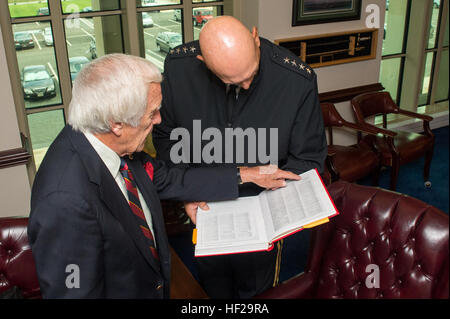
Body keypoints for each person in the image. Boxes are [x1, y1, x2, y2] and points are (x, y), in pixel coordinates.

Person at [27, 53, 299, 298]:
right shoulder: (64, 201)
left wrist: (248, 174)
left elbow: (166, 177)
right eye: (151, 114)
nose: (158, 120)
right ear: (117, 123)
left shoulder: (110, 144)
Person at [153, 16, 327, 298]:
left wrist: (273, 208)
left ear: (255, 38)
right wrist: (188, 190)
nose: (246, 87)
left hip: (264, 213)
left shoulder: (296, 80)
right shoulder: (178, 69)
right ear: (202, 61)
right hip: (205, 207)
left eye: (251, 74)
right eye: (232, 81)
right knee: (211, 288)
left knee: (256, 294)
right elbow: (166, 137)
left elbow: (308, 161)